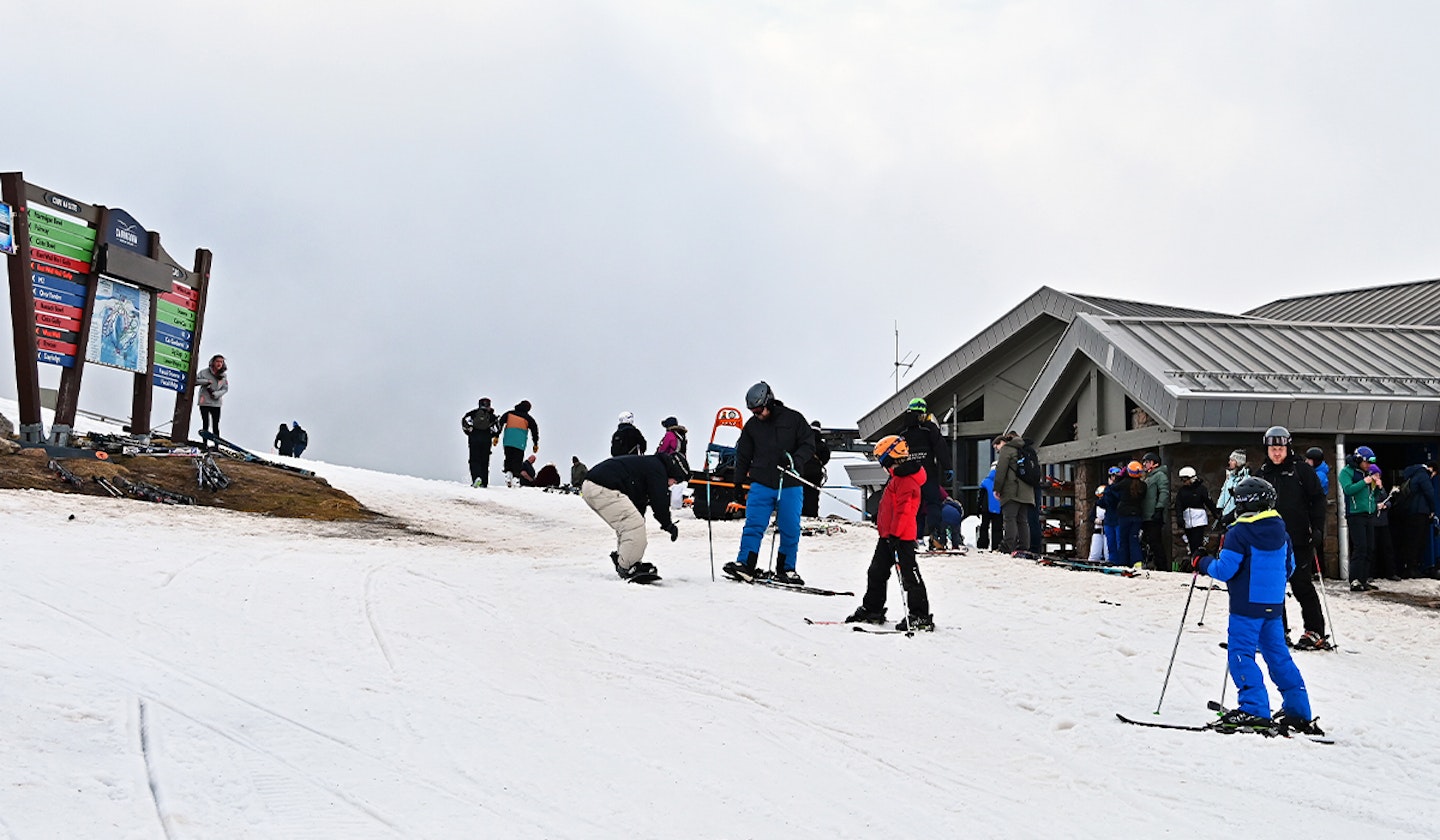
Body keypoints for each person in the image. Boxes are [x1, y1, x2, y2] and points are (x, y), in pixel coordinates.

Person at [1195, 476, 1321, 735]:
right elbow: (1290, 568)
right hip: (1273, 607)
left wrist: (1201, 561)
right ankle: (1298, 710)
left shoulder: (1238, 533)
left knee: (1241, 654)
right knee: (1279, 657)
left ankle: (1254, 708)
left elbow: (1225, 570)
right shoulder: (1282, 532)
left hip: (1245, 608)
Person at [722, 381, 815, 585]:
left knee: (790, 527)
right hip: (761, 483)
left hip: (789, 483)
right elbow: (743, 455)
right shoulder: (752, 426)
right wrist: (738, 484)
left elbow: (809, 444)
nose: (757, 414)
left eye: (759, 409)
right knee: (753, 525)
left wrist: (794, 460)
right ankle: (745, 563)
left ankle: (786, 569)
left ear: (769, 401)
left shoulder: (794, 419)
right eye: (752, 411)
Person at [845, 435, 934, 631]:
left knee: (909, 576)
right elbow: (892, 507)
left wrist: (895, 534)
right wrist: (881, 518)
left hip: (901, 538)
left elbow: (905, 511)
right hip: (888, 536)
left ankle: (920, 616)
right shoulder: (897, 478)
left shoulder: (906, 481)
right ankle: (872, 608)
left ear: (889, 459)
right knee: (876, 572)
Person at [1256, 426, 1329, 650]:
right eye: (1272, 449)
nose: (1277, 453)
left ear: (1287, 448)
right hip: (1271, 541)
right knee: (1274, 587)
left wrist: (1317, 528)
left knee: (1301, 585)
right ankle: (1279, 631)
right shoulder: (1262, 474)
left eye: (1280, 448)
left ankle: (1314, 630)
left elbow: (1318, 499)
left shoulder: (1301, 471)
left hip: (1299, 539)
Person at [581, 451, 690, 581]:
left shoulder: (651, 465)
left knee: (632, 523)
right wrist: (667, 524)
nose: (673, 484)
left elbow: (639, 501)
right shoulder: (658, 470)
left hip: (594, 486)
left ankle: (626, 559)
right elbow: (660, 501)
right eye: (675, 481)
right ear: (674, 472)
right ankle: (627, 566)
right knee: (633, 524)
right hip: (602, 487)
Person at [900, 399, 953, 550]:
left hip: (910, 474)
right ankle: (935, 537)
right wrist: (947, 467)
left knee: (913, 506)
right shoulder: (929, 428)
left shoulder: (903, 432)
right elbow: (940, 447)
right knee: (933, 504)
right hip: (928, 472)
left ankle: (913, 538)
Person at [1339, 446, 1380, 591]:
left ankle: (1364, 578)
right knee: (1360, 547)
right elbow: (1348, 489)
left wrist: (1378, 488)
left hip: (1369, 514)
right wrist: (1365, 482)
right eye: (1367, 462)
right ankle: (1354, 579)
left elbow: (1372, 496)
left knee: (1370, 547)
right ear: (1358, 460)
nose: (1369, 465)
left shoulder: (1367, 472)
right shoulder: (1346, 472)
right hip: (1355, 514)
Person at [992, 433, 1034, 554]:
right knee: (1022, 520)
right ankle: (1024, 547)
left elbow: (1001, 470)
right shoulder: (1024, 448)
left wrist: (997, 489)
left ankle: (1007, 547)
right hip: (1026, 492)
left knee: (1010, 518)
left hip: (1012, 491)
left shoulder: (1007, 449)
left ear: (1002, 442)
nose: (997, 451)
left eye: (996, 447)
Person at [1098, 461, 1146, 567]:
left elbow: (1112, 489)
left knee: (1123, 541)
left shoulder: (1124, 483)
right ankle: (1137, 562)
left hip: (1124, 516)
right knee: (1133, 539)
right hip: (1137, 515)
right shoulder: (1143, 486)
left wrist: (1119, 479)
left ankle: (1123, 563)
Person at [1399, 460, 1440, 579]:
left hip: (1411, 512)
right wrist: (1433, 509)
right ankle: (1413, 569)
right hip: (1420, 513)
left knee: (1411, 540)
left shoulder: (1414, 473)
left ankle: (1408, 568)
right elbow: (1430, 493)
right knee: (1418, 541)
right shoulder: (1423, 475)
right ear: (1432, 469)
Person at [1174, 466, 1219, 562]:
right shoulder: (1182, 491)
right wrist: (1179, 517)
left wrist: (1216, 513)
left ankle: (1198, 562)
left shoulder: (1201, 489)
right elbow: (1178, 505)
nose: (1184, 482)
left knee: (1197, 543)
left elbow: (1208, 502)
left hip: (1198, 520)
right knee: (1190, 543)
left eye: (1185, 479)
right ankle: (1194, 562)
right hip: (1187, 520)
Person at [1140, 452, 1170, 570]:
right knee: (1150, 542)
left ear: (1154, 463)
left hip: (1154, 515)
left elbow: (1164, 492)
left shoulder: (1160, 475)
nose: (1144, 465)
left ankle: (1162, 566)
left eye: (1147, 462)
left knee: (1155, 541)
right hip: (1147, 515)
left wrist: (1159, 508)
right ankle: (1154, 563)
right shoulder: (1149, 477)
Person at [495, 400, 539, 481]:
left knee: (508, 457)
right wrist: (535, 443)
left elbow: (500, 423)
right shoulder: (528, 418)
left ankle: (508, 474)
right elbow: (534, 430)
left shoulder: (509, 413)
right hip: (520, 443)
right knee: (517, 460)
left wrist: (496, 436)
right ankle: (515, 478)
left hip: (508, 441)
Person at [461, 398, 499, 487]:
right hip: (486, 440)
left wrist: (470, 433)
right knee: (484, 461)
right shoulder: (492, 416)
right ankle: (484, 482)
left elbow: (465, 424)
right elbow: (497, 429)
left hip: (474, 439)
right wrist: (491, 435)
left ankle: (476, 478)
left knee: (474, 460)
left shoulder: (472, 413)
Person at [194, 354, 228, 449]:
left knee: (216, 424)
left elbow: (225, 388)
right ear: (213, 362)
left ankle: (216, 445)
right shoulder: (204, 372)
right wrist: (206, 382)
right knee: (205, 423)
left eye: (221, 362)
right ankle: (204, 444)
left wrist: (217, 394)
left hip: (216, 403)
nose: (219, 364)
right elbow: (195, 381)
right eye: (217, 361)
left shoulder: (223, 375)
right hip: (204, 402)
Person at [801, 420, 831, 518]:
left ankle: (800, 514)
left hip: (801, 472)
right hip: (815, 474)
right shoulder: (822, 445)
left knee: (800, 495)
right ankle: (812, 515)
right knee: (813, 496)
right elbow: (826, 458)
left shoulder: (803, 442)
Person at [1216, 449, 1250, 524]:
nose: (1229, 462)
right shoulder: (1230, 478)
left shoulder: (1246, 479)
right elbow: (1223, 492)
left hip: (1237, 516)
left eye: (1232, 460)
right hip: (1225, 514)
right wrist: (1219, 507)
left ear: (1238, 462)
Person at [977, 460, 1003, 550]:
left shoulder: (985, 481)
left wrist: (978, 508)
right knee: (997, 528)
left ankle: (982, 545)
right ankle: (996, 546)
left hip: (986, 508)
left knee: (984, 526)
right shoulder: (1002, 482)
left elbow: (980, 497)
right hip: (999, 508)